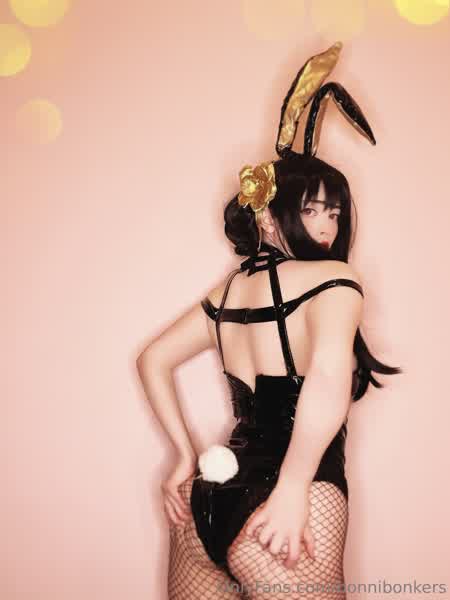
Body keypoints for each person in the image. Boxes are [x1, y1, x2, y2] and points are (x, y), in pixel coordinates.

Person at [137, 42, 402, 599]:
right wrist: (293, 488)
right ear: (269, 215)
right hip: (292, 501)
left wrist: (183, 456)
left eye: (335, 212)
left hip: (208, 499)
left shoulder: (229, 291)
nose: (326, 226)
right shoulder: (335, 280)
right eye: (310, 209)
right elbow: (325, 380)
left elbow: (153, 359)